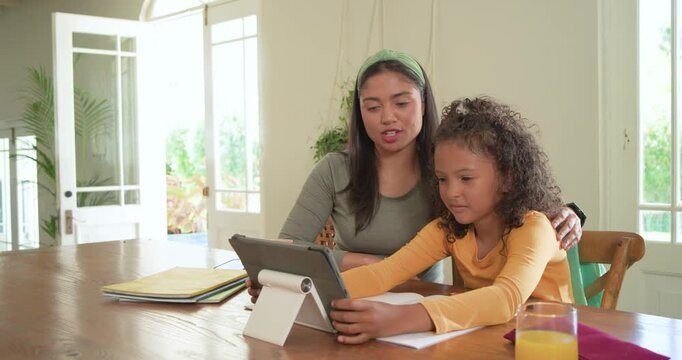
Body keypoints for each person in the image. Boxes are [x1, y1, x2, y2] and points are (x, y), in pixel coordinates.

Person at [277, 49, 584, 284]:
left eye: (401, 103)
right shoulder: (334, 170)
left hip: (426, 305)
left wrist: (568, 213)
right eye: (373, 107)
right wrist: (359, 262)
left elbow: (514, 204)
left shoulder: (448, 169)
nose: (387, 117)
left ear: (423, 103)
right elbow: (287, 247)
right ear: (360, 112)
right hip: (355, 291)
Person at [330, 97, 573, 344]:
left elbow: (504, 299)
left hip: (550, 343)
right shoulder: (447, 229)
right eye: (442, 179)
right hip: (490, 340)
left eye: (466, 178)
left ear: (508, 178)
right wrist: (317, 293)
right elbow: (383, 273)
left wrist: (400, 318)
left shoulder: (533, 228)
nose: (451, 192)